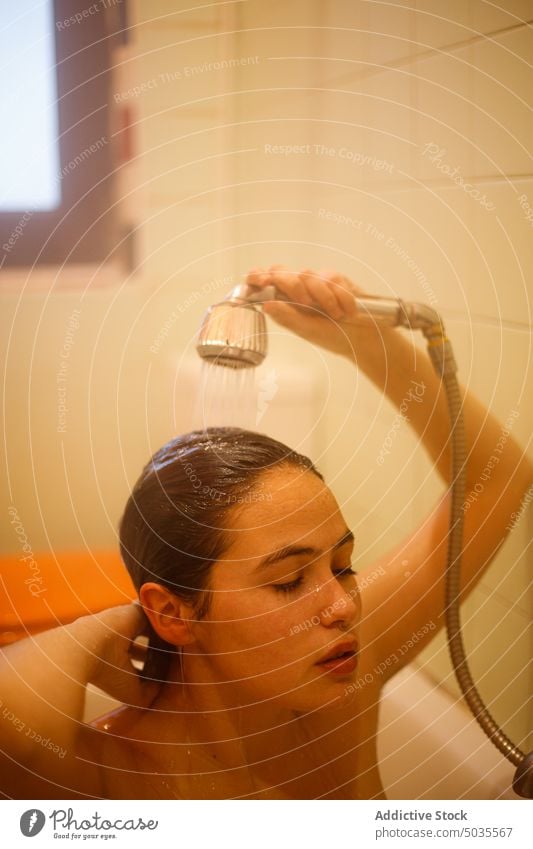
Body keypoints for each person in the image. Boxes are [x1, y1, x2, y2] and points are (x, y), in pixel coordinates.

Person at [1, 267, 531, 799]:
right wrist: (98, 632)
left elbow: (496, 480)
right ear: (170, 612)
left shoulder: (343, 676)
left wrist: (370, 342)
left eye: (342, 566)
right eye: (287, 581)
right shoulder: (115, 778)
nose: (343, 606)